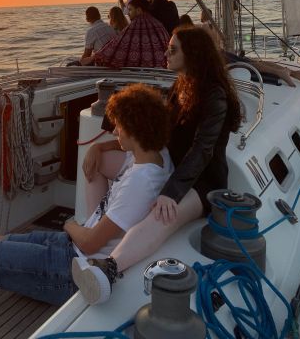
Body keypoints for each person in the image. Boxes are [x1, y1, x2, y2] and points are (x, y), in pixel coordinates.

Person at [0, 84, 173, 335]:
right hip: (72, 250)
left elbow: (90, 241)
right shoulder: (156, 156)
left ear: (135, 129)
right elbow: (122, 146)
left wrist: (70, 224)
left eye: (119, 125)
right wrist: (99, 149)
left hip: (74, 270)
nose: (115, 130)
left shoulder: (139, 181)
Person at [72, 26, 241, 305]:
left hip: (201, 183)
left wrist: (170, 193)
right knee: (98, 161)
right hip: (172, 166)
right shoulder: (183, 83)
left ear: (193, 54)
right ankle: (97, 235)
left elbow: (202, 151)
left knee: (163, 216)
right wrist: (101, 146)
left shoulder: (215, 96)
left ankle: (108, 267)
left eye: (173, 49)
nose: (166, 53)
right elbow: (157, 130)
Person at [92, 0, 169, 68]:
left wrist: (97, 56)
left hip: (144, 70)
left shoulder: (136, 24)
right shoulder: (158, 24)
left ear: (138, 10)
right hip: (163, 66)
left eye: (130, 10)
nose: (128, 13)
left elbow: (119, 43)